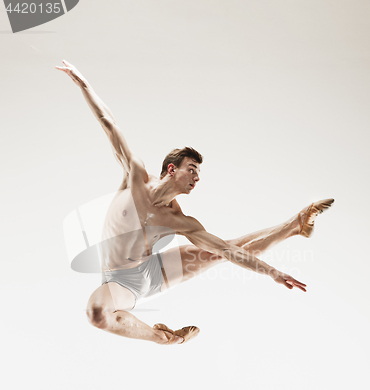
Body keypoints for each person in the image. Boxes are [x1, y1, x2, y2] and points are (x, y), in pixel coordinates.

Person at [56, 60, 334, 346]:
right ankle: (165, 338)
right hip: (122, 281)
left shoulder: (180, 221)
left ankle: (296, 225)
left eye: (199, 173)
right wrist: (83, 83)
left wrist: (273, 273)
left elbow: (228, 250)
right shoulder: (135, 176)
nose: (197, 177)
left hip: (152, 270)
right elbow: (108, 123)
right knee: (98, 313)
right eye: (192, 169)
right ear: (172, 169)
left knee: (226, 250)